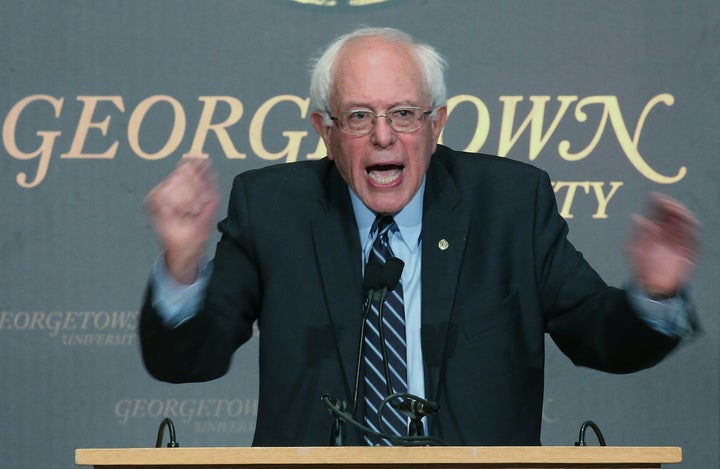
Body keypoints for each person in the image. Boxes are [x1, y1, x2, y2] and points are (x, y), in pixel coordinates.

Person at [139, 27, 699, 446]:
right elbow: (188, 360)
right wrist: (183, 268)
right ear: (324, 131)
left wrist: (655, 293)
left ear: (437, 125)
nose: (383, 137)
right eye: (359, 116)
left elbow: (598, 334)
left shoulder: (509, 205)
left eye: (404, 114)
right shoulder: (272, 210)